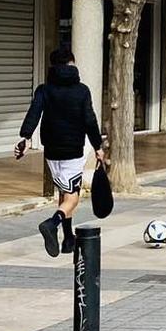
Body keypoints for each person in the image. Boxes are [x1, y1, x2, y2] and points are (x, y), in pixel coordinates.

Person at [15, 46, 106, 257]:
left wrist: (26, 138)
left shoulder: (44, 89)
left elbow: (33, 114)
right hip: (73, 150)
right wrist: (98, 147)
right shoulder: (82, 90)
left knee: (64, 193)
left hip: (52, 152)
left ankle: (68, 239)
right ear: (72, 63)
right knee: (73, 197)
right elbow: (90, 120)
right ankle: (52, 223)